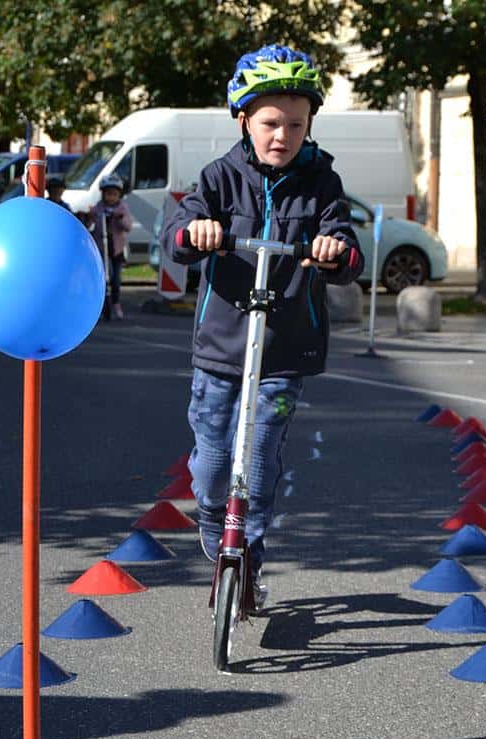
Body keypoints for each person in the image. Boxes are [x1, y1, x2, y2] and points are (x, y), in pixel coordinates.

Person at [159, 44, 363, 611]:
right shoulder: (220, 178)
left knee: (259, 458)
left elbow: (348, 253)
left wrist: (334, 250)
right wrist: (194, 231)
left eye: (296, 124)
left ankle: (247, 550)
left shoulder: (321, 182)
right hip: (223, 350)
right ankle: (208, 513)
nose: (283, 135)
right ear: (244, 119)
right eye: (272, 122)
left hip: (284, 350)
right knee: (213, 463)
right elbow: (177, 235)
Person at [86, 174, 133, 320]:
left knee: (116, 280)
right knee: (106, 277)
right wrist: (91, 216)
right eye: (108, 194)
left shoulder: (122, 208)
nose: (111, 197)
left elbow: (128, 226)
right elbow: (90, 224)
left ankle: (116, 303)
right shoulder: (99, 208)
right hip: (102, 251)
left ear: (119, 195)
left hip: (116, 250)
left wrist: (119, 219)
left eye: (114, 194)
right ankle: (101, 306)